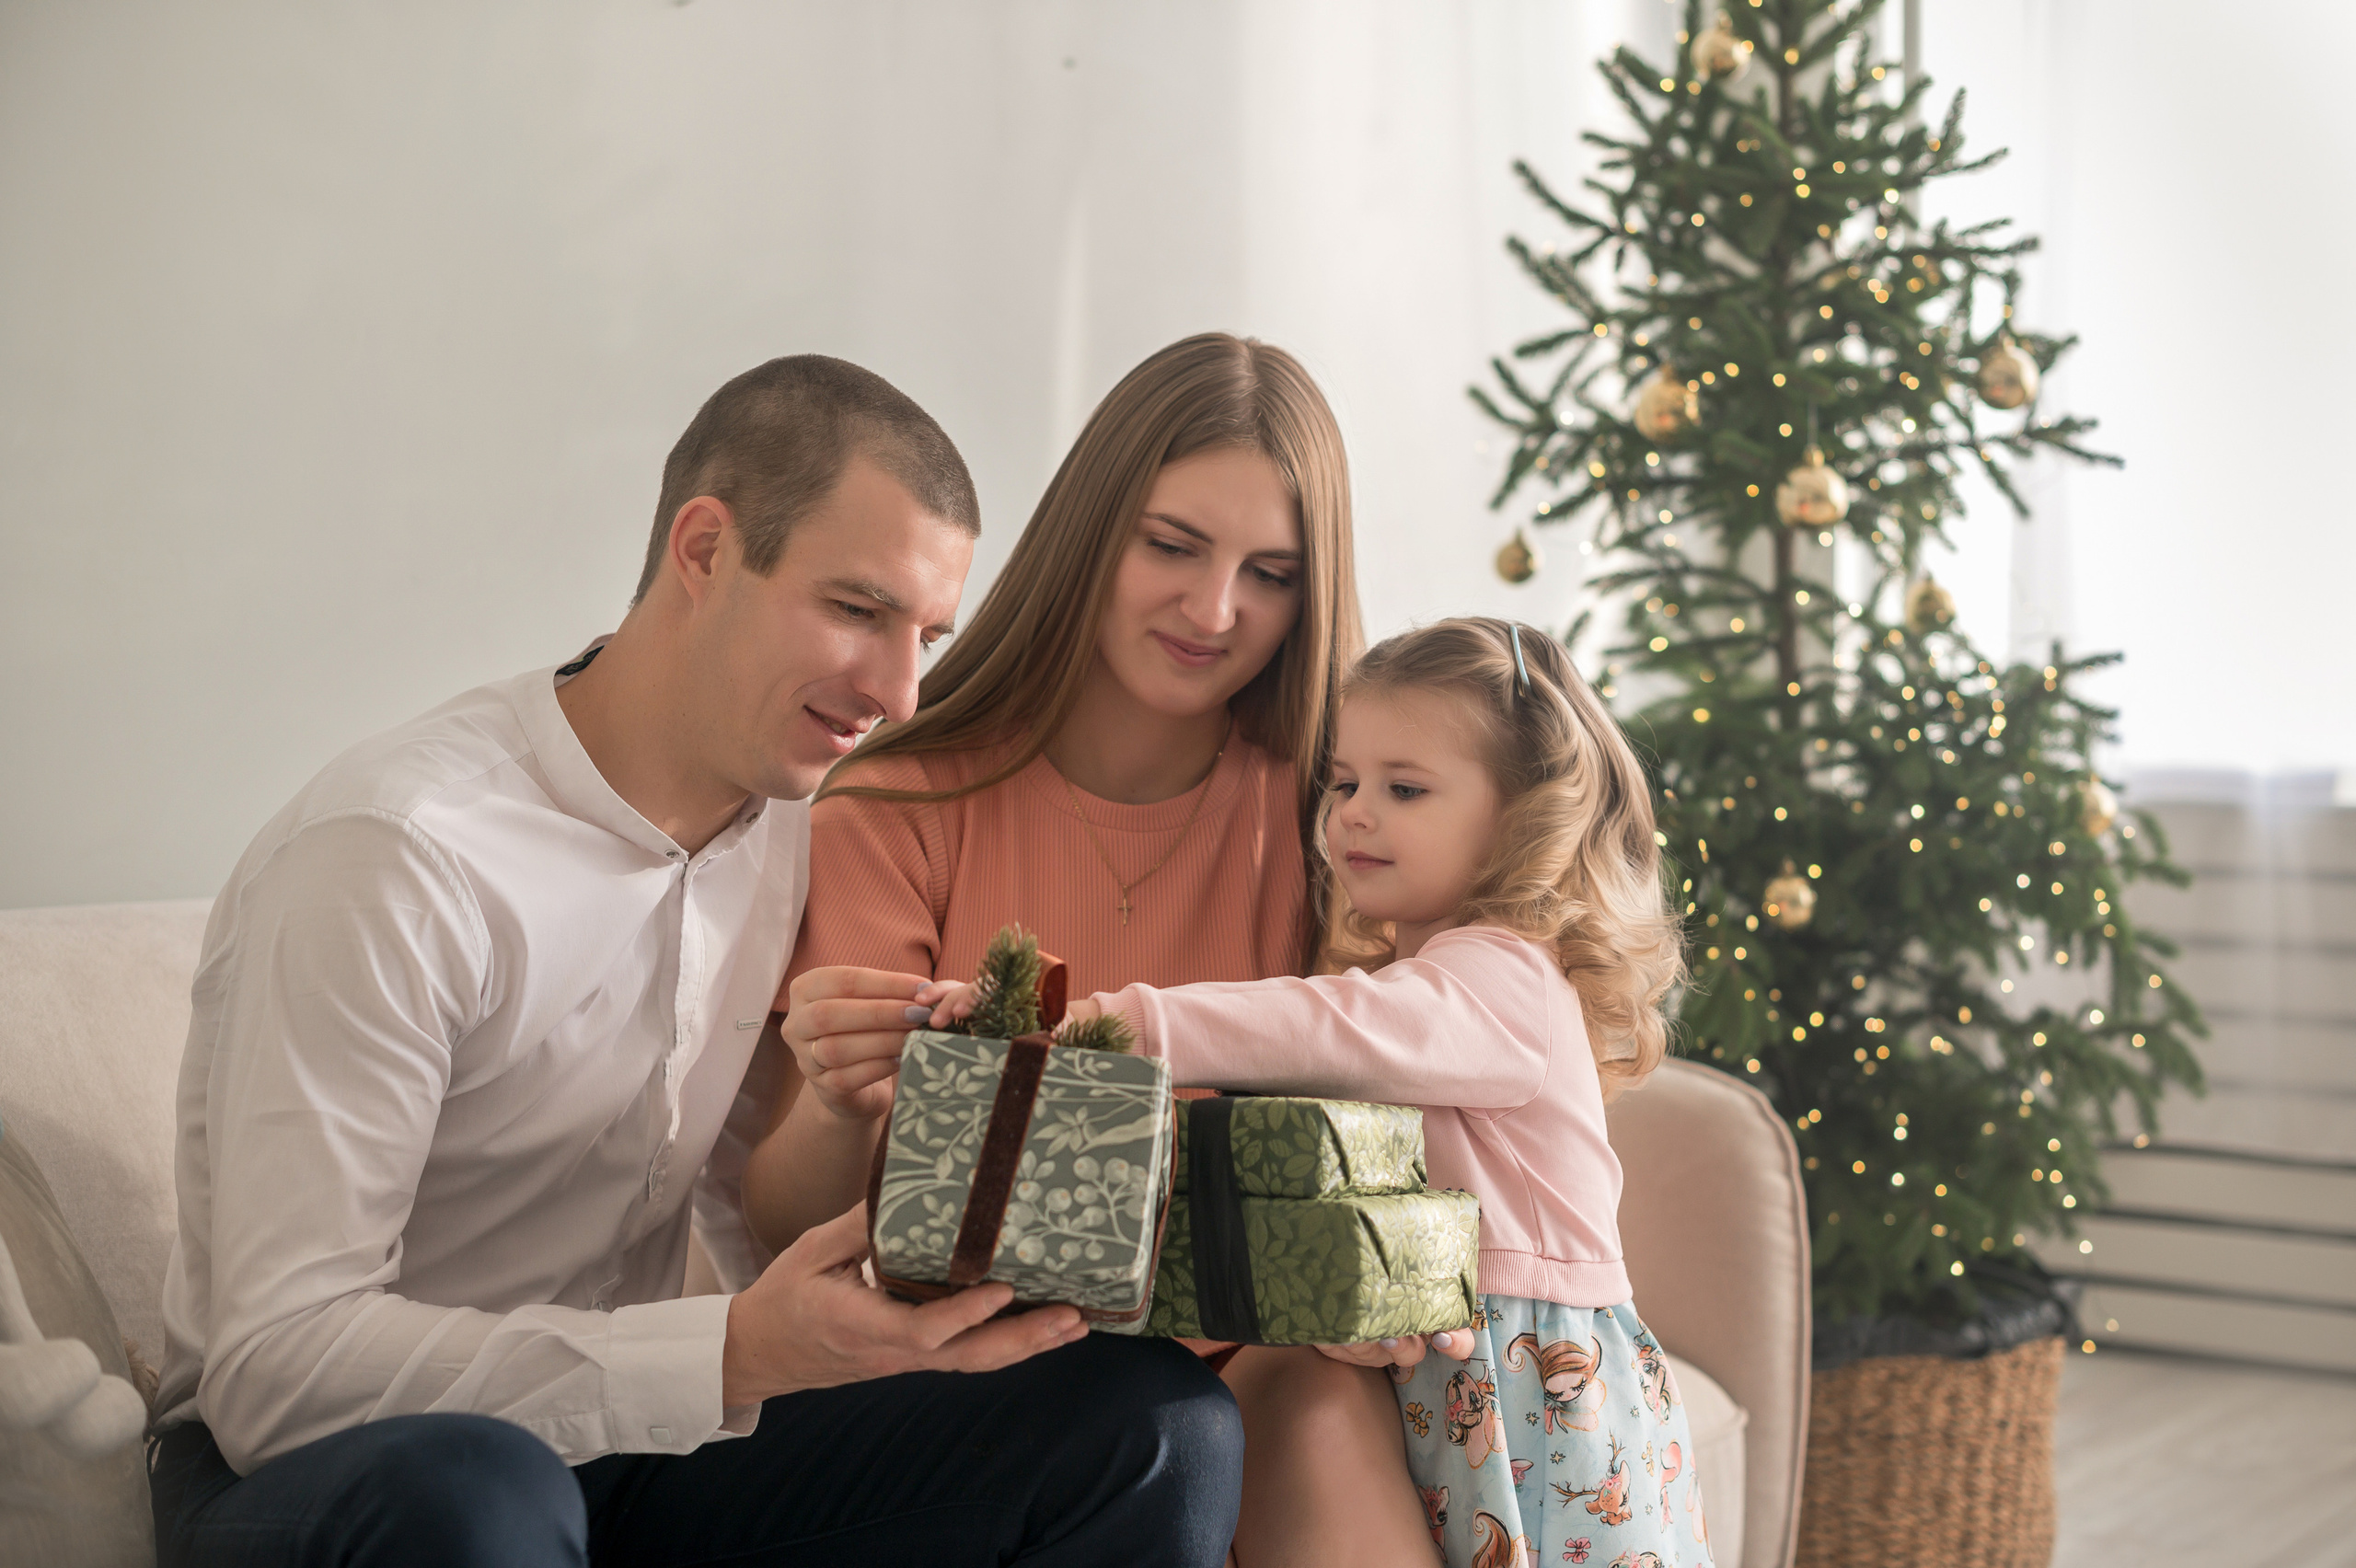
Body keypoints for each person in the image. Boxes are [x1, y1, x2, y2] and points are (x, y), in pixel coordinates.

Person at [147, 354, 1243, 1568]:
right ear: (706, 550)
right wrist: (729, 1354)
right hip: (339, 1478)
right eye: (858, 610)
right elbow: (272, 1371)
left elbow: (760, 1239)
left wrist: (861, 1131)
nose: (899, 689)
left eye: (928, 634)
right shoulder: (398, 853)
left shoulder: (780, 829)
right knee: (485, 1492)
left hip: (631, 1444)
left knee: (1150, 1423)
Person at [749, 333, 1468, 1565]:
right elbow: (787, 1223)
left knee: (1312, 1413)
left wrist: (1384, 1286)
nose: (1214, 610)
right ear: (1094, 530)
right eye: (1173, 546)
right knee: (1171, 1426)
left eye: (1272, 573)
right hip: (978, 1365)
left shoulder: (1331, 817)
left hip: (1251, 1363)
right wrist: (835, 1099)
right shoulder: (897, 803)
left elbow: (1437, 1075)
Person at [919, 617, 1709, 1568]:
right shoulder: (1440, 970)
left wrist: (1127, 1020)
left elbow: (1331, 1029)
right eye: (1344, 783)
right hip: (1460, 1381)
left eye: (1404, 788)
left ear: (1521, 816)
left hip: (1537, 1395)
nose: (1354, 813)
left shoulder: (1503, 975)